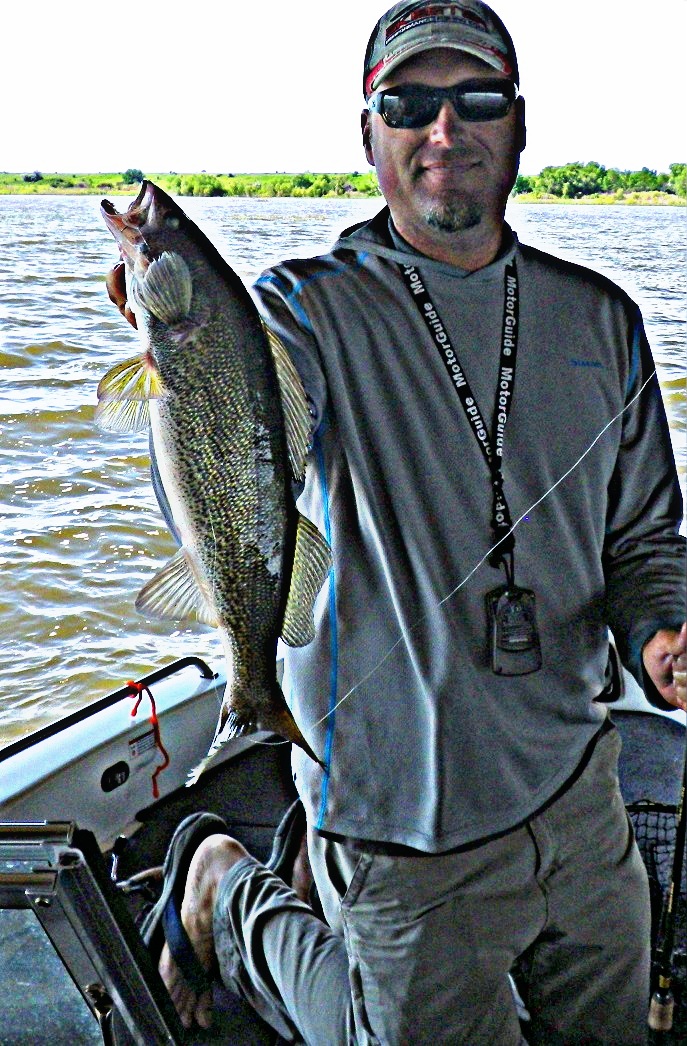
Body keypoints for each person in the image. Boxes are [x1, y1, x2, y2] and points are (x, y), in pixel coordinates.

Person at [108, 3, 687, 1042]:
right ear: (367, 132)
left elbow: (647, 542)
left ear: (519, 126)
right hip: (392, 814)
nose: (444, 131)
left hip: (578, 787)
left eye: (477, 101)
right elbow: (227, 488)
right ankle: (223, 888)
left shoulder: (605, 322)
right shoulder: (296, 311)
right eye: (408, 104)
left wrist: (659, 636)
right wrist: (183, 368)